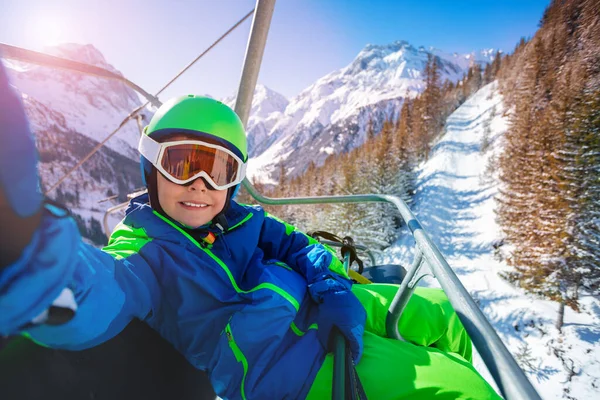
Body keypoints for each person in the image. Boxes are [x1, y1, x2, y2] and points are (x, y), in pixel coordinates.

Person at [0, 61, 501, 400]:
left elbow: (293, 244)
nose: (199, 185)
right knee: (462, 388)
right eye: (181, 164)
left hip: (322, 308)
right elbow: (98, 293)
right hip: (291, 367)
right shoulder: (146, 257)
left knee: (444, 314)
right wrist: (32, 256)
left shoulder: (239, 219)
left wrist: (331, 286)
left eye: (216, 171)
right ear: (151, 170)